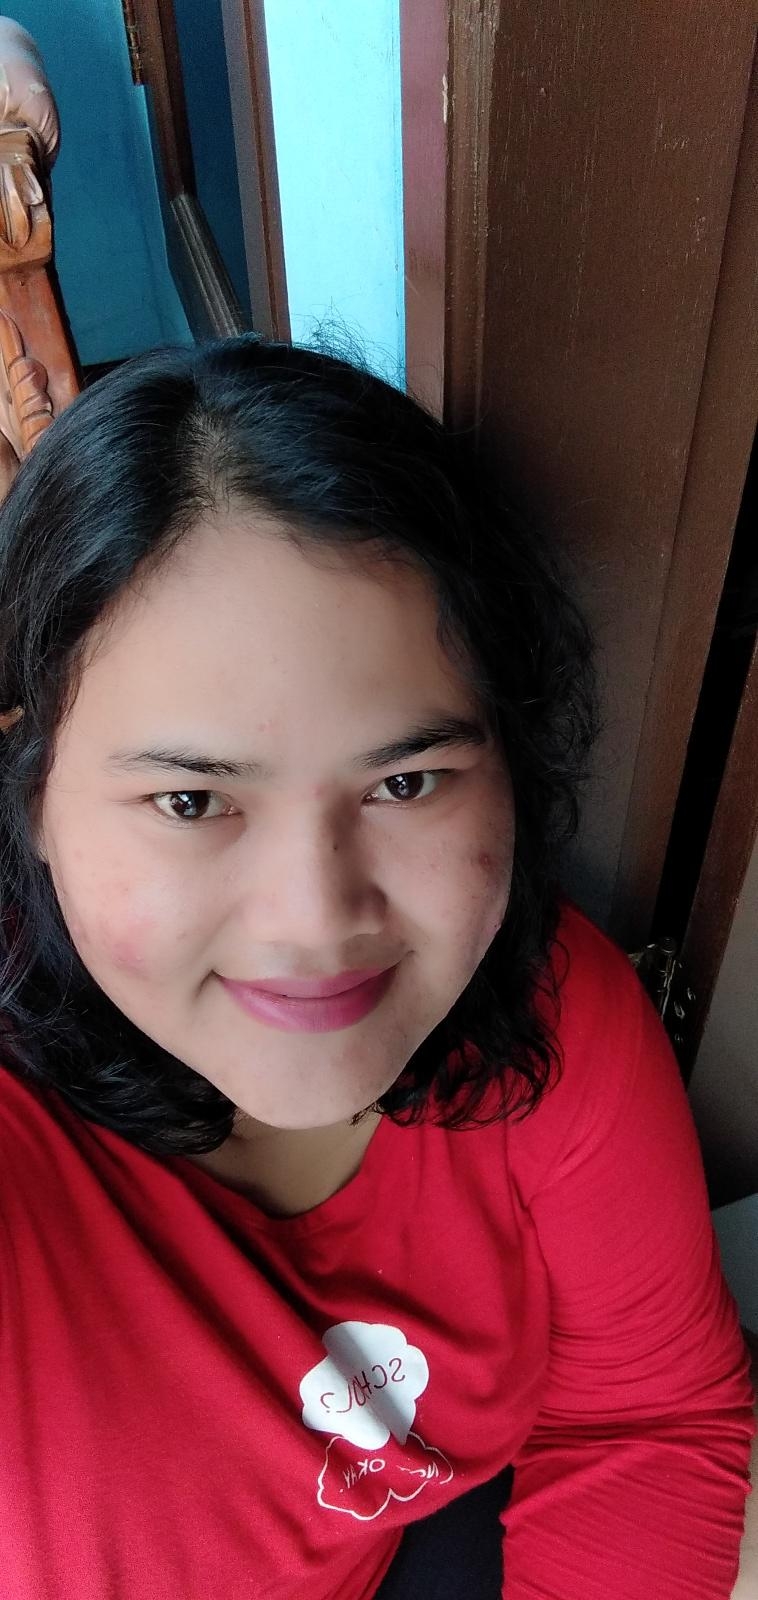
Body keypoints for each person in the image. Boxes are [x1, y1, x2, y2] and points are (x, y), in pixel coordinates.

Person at [0, 335, 753, 1600]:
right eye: (190, 800)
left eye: (405, 781)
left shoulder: (547, 1006)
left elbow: (640, 1415)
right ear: (32, 797)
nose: (314, 921)